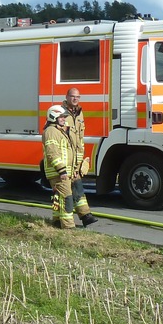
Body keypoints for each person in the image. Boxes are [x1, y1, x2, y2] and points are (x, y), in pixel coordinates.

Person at [61, 88, 98, 227]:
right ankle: (60, 220)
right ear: (67, 97)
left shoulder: (79, 113)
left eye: (78, 97)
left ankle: (85, 215)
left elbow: (79, 139)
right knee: (63, 194)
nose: (75, 99)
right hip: (65, 159)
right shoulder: (60, 113)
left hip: (75, 159)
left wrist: (80, 162)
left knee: (78, 187)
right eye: (72, 96)